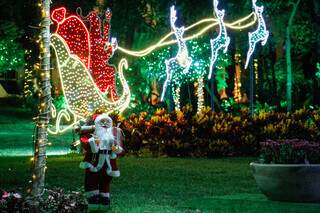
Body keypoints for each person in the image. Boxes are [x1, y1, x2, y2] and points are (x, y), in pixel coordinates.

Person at [76, 111, 124, 207]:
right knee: (91, 180)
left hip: (108, 163)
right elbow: (85, 143)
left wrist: (117, 149)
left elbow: (121, 150)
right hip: (94, 161)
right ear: (97, 123)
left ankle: (104, 200)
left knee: (105, 180)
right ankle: (93, 201)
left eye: (107, 122)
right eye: (102, 122)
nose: (105, 124)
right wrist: (93, 142)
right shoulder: (90, 133)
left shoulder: (115, 133)